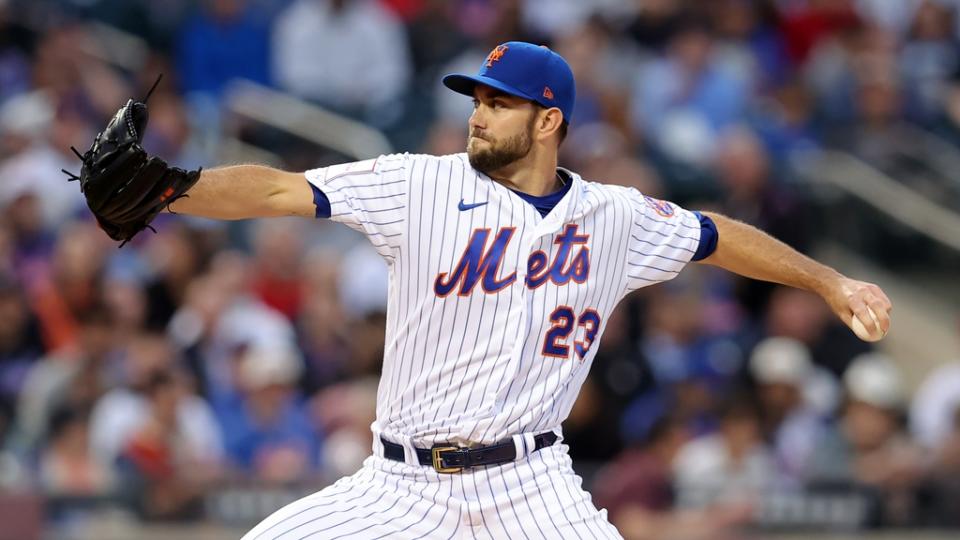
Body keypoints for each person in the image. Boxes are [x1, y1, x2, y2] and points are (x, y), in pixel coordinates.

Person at [115, 41, 890, 538]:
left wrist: (829, 280)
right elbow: (282, 192)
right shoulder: (418, 183)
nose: (478, 115)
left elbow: (717, 235)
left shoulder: (613, 216)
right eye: (476, 100)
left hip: (532, 483)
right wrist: (172, 189)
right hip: (401, 485)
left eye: (498, 102)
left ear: (548, 120)